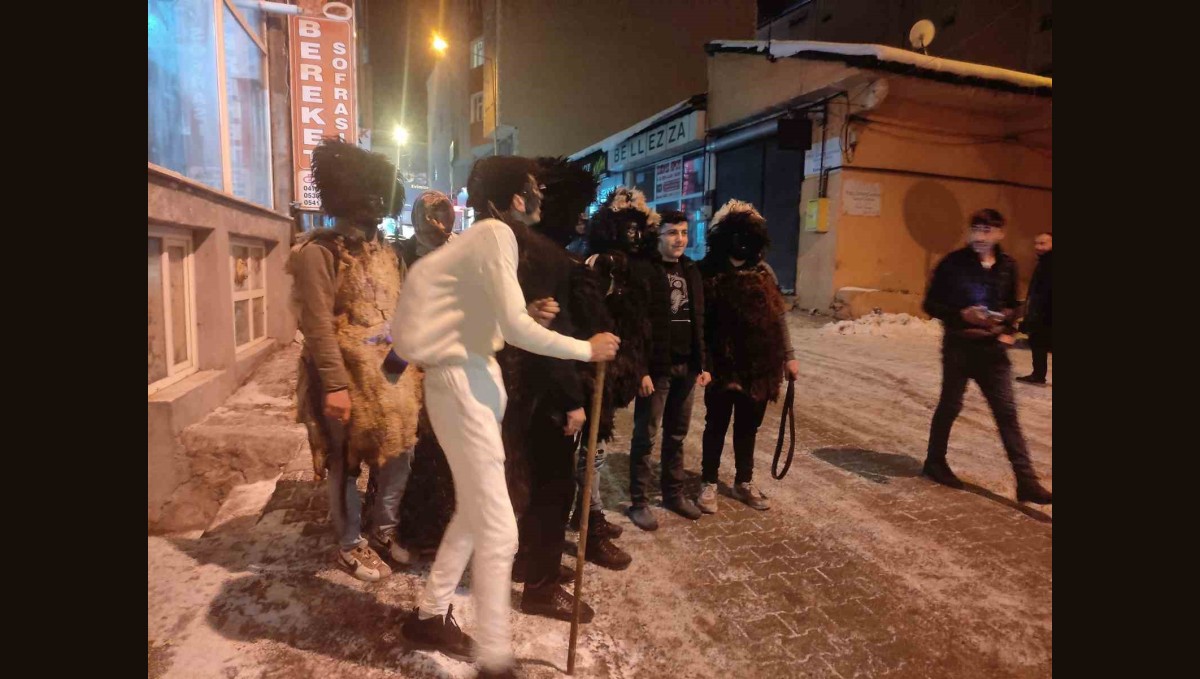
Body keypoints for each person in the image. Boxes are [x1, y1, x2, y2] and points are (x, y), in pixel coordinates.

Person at [392, 155, 620, 679]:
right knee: (499, 531)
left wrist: (523, 314)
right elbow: (514, 329)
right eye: (535, 188)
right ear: (517, 197)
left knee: (476, 516)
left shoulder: (482, 241)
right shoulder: (496, 233)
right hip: (462, 383)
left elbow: (489, 313)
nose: (540, 196)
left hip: (474, 380)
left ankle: (429, 614)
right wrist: (587, 349)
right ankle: (495, 662)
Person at [288, 139, 420, 581]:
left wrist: (406, 369)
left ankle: (383, 530)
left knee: (399, 451)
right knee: (344, 461)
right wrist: (335, 386)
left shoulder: (387, 253)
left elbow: (398, 314)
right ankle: (350, 544)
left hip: (390, 374)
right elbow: (318, 326)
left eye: (382, 195)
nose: (378, 204)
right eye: (370, 194)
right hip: (344, 376)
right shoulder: (317, 253)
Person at [922, 209, 1052, 504]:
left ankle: (1027, 482)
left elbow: (1011, 304)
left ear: (1000, 233)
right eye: (978, 228)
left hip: (993, 352)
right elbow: (930, 304)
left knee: (1007, 414)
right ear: (970, 232)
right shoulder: (953, 264)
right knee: (950, 405)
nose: (982, 234)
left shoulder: (1007, 265)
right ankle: (934, 462)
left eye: (989, 229)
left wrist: (1007, 323)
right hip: (959, 347)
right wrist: (961, 314)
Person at [696, 200, 800, 513]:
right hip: (721, 364)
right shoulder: (707, 271)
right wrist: (702, 363)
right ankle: (709, 482)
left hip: (758, 365)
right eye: (735, 234)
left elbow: (778, 316)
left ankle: (743, 481)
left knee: (747, 427)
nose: (741, 242)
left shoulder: (763, 272)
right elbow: (699, 322)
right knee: (715, 424)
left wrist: (789, 357)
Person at [626, 209, 712, 531]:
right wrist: (641, 369)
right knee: (645, 436)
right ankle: (639, 502)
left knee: (677, 435)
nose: (680, 239)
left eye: (684, 233)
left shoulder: (691, 269)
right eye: (672, 233)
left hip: (685, 367)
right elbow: (635, 325)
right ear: (658, 236)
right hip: (656, 369)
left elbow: (698, 320)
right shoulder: (644, 271)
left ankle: (673, 494)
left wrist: (702, 363)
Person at [1017, 232, 1052, 385]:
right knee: (1038, 342)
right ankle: (1038, 374)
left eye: (1043, 243)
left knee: (1038, 342)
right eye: (1036, 243)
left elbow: (1045, 292)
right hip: (1043, 312)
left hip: (1046, 313)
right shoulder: (1044, 262)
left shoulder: (1049, 263)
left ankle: (1038, 375)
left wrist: (1035, 314)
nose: (1038, 247)